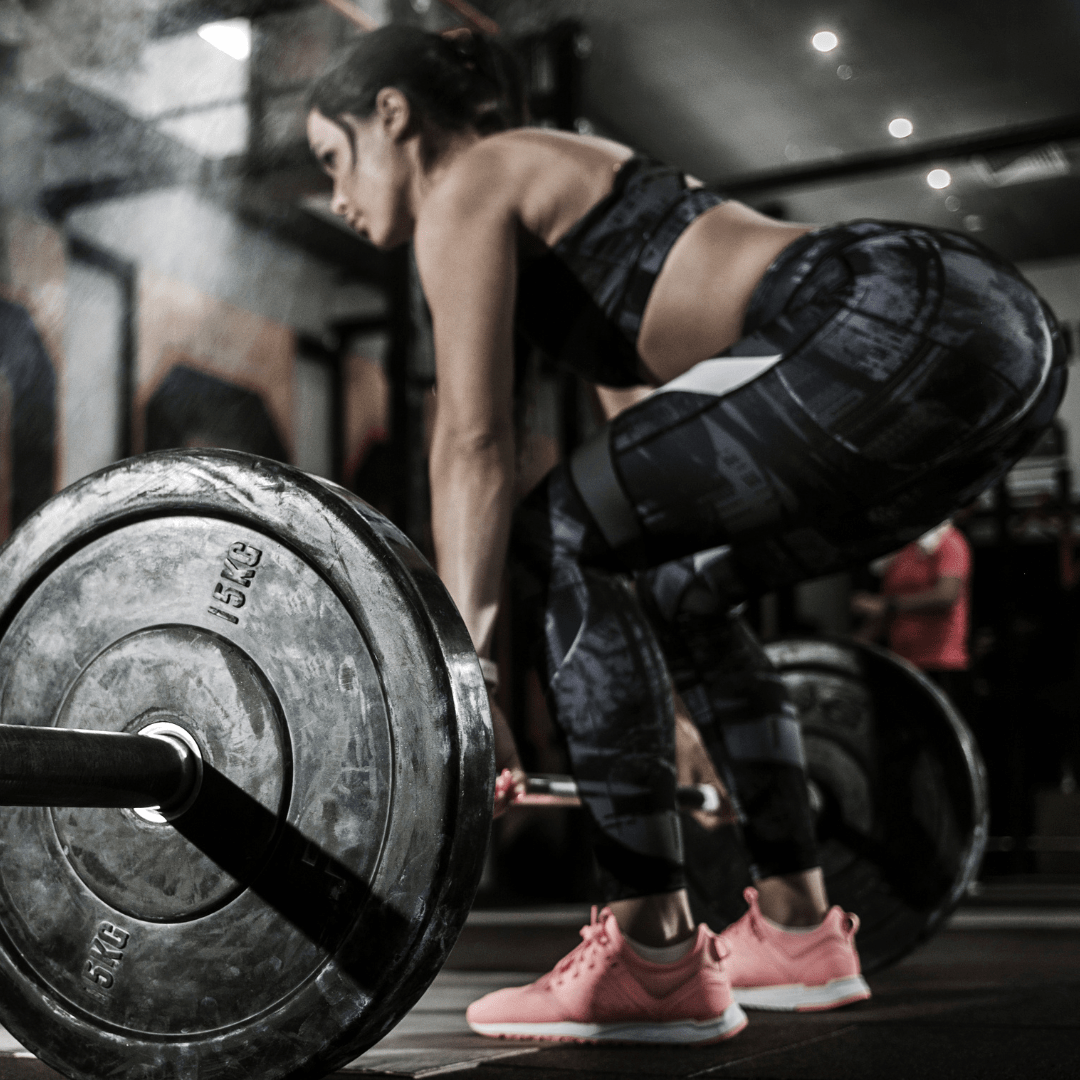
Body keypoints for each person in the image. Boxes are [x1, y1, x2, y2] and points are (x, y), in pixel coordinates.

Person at [305, 25, 1066, 1044]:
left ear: (391, 117)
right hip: (987, 353)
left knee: (552, 525)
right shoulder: (568, 206)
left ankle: (651, 952)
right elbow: (650, 482)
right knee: (676, 584)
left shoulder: (474, 177)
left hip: (891, 313)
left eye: (332, 158)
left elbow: (475, 441)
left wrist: (467, 671)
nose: (339, 199)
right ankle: (799, 929)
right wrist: (665, 724)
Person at [851, 520, 973, 703]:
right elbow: (883, 613)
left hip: (941, 664)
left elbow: (946, 595)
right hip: (903, 665)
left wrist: (886, 604)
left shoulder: (950, 541)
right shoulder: (901, 552)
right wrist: (848, 648)